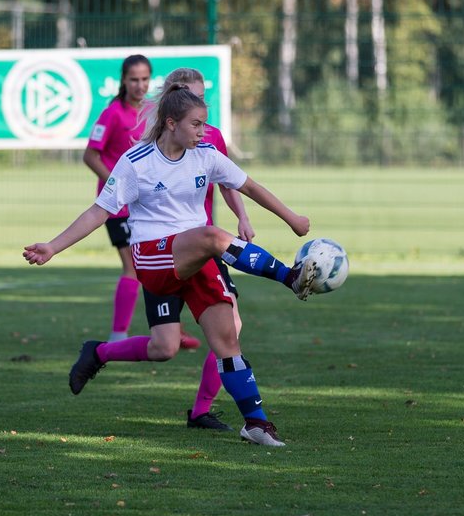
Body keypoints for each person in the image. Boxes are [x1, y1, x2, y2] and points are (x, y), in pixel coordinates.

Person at [24, 82, 318, 447]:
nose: (203, 131)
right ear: (170, 123)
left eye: (204, 124)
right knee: (211, 236)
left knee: (217, 342)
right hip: (152, 258)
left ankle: (255, 423)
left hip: (191, 259)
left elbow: (250, 186)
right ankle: (290, 277)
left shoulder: (206, 154)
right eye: (196, 124)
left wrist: (292, 218)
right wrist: (53, 245)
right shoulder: (137, 162)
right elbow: (99, 211)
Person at [154, 67, 251, 433]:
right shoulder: (148, 150)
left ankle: (202, 410)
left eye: (202, 98)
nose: (200, 108)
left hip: (205, 247)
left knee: (231, 326)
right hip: (164, 253)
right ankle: (100, 351)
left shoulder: (209, 139)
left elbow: (230, 181)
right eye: (192, 99)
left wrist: (242, 216)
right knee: (163, 347)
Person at [82, 54, 199, 350]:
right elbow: (90, 155)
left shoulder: (154, 112)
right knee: (132, 268)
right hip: (119, 207)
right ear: (123, 80)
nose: (140, 85)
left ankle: (173, 330)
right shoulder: (112, 114)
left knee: (168, 265)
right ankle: (118, 334)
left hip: (150, 207)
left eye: (145, 79)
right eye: (134, 79)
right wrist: (118, 185)